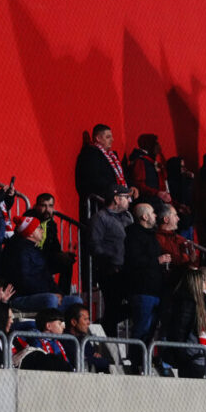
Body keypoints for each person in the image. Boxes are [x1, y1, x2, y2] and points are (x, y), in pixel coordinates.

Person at [2, 215, 82, 312]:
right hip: (21, 297)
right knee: (51, 299)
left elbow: (47, 277)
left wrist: (60, 294)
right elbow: (25, 281)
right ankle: (50, 321)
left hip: (41, 295)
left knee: (76, 301)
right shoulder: (18, 251)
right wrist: (50, 293)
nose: (42, 231)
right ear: (31, 233)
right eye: (39, 228)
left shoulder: (36, 250)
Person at [88, 184, 135, 331]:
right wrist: (110, 262)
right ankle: (106, 329)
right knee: (113, 306)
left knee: (135, 304)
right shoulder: (99, 218)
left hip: (127, 270)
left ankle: (103, 324)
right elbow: (94, 245)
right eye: (126, 197)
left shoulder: (127, 218)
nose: (130, 200)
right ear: (116, 199)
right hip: (110, 271)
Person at [123, 202, 171, 345]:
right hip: (142, 289)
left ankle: (143, 357)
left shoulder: (151, 236)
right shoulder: (133, 235)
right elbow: (134, 260)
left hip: (155, 289)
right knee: (141, 329)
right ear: (144, 217)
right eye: (152, 213)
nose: (156, 216)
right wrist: (158, 260)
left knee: (150, 331)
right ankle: (136, 357)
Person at [74, 124, 128, 215]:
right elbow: (93, 178)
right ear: (98, 138)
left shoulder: (113, 156)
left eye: (111, 137)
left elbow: (121, 175)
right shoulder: (90, 154)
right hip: (100, 203)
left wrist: (130, 187)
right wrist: (115, 188)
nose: (112, 140)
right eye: (108, 137)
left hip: (116, 200)